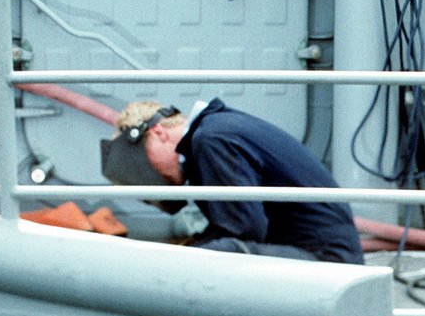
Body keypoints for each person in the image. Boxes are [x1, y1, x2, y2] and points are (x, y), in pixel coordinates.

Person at [101, 99, 364, 264]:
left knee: (215, 256)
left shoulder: (211, 140)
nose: (157, 177)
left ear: (158, 133)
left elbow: (243, 229)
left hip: (326, 260)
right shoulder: (215, 130)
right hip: (311, 251)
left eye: (146, 163)